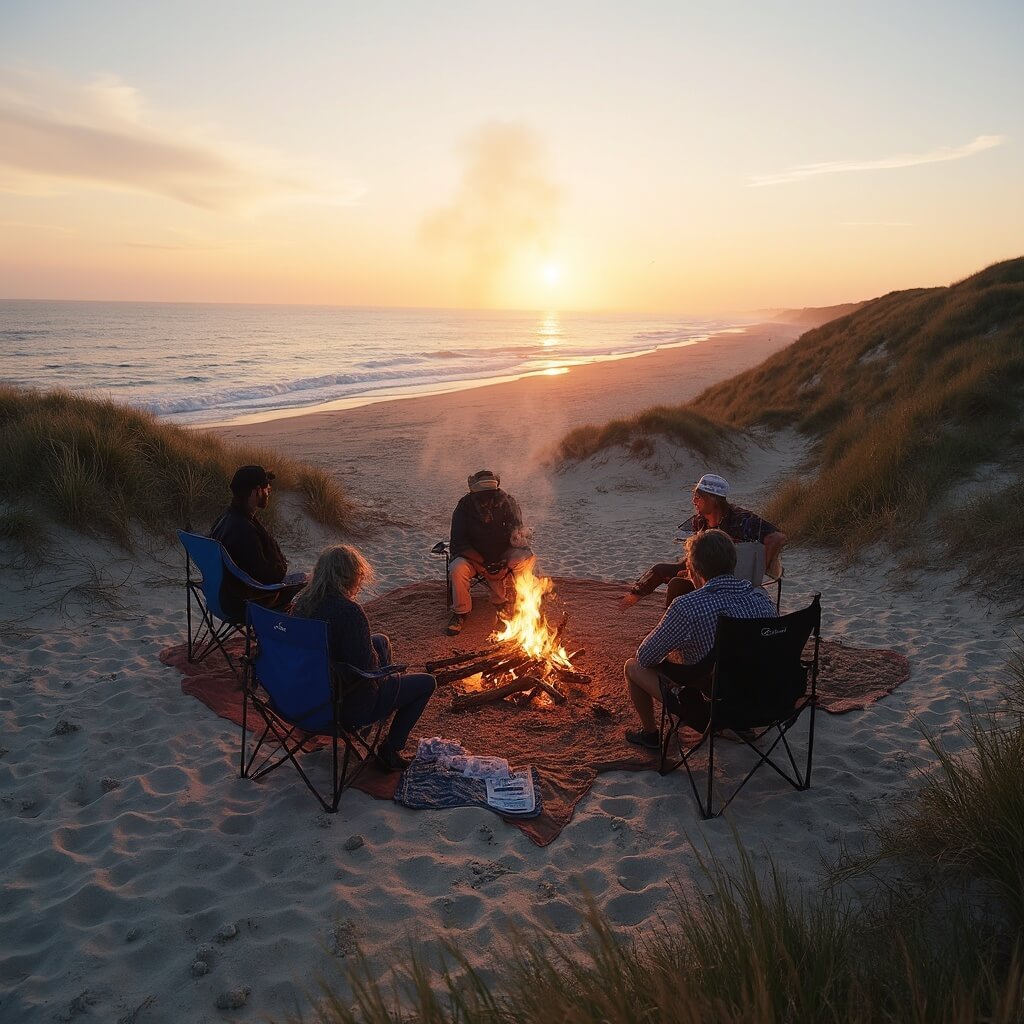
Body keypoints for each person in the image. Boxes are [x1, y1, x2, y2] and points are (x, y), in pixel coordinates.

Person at [622, 528, 777, 750]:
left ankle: (650, 735)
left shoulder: (688, 607)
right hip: (765, 700)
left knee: (633, 666)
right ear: (733, 562)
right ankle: (736, 727)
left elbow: (645, 657)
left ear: (693, 570)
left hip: (714, 707)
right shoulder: (761, 598)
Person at [292, 545, 436, 773]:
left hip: (306, 697)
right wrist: (388, 672)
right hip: (346, 704)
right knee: (427, 682)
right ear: (350, 578)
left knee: (380, 640)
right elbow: (367, 670)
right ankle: (390, 748)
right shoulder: (349, 612)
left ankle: (374, 722)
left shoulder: (302, 604)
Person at [620, 473, 787, 610]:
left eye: (698, 496)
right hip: (703, 572)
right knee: (659, 570)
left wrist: (759, 569)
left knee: (677, 586)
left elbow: (777, 538)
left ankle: (678, 628)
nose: (694, 501)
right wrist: (690, 569)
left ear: (712, 499)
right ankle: (627, 602)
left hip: (729, 579)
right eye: (694, 495)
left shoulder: (742, 520)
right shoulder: (699, 521)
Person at [210, 464, 308, 621]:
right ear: (256, 491)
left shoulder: (224, 520)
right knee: (312, 584)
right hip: (248, 603)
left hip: (221, 599)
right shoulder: (245, 530)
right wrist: (269, 541)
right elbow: (274, 575)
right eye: (266, 487)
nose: (269, 490)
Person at [446, 469, 536, 636]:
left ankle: (521, 606)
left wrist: (504, 561)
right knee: (457, 569)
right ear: (473, 492)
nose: (487, 500)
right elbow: (459, 543)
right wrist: (484, 564)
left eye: (490, 494)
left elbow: (517, 534)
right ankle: (461, 612)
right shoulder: (464, 507)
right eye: (482, 496)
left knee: (525, 561)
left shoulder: (507, 502)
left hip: (503, 555)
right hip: (472, 558)